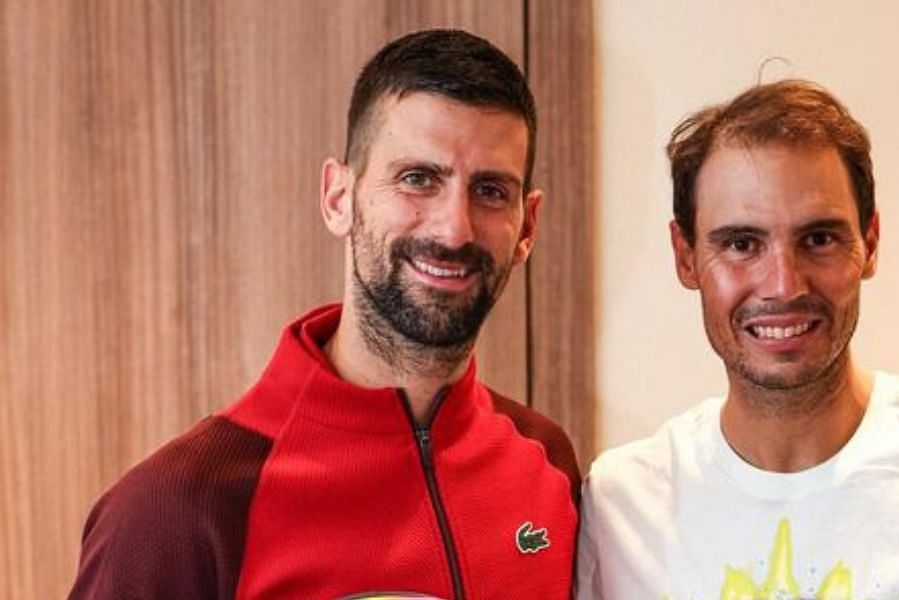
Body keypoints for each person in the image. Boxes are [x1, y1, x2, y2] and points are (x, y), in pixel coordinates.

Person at [69, 29, 579, 600]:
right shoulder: (177, 510)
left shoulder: (549, 464)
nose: (454, 228)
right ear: (339, 198)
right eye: (418, 179)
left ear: (527, 226)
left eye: (489, 191)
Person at [576, 80, 899, 599]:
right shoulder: (623, 502)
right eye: (741, 243)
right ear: (686, 256)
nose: (784, 284)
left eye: (819, 239)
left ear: (869, 244)